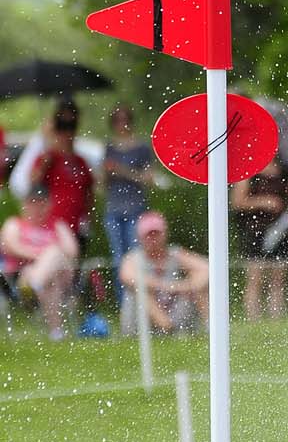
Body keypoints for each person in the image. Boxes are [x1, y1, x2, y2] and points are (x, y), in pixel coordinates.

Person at [0, 183, 78, 339]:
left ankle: (37, 283)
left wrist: (47, 258)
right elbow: (10, 247)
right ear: (24, 204)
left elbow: (72, 251)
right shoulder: (15, 224)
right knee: (52, 261)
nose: (37, 208)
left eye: (42, 203)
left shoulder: (57, 225)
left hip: (53, 277)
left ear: (48, 205)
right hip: (21, 278)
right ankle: (56, 331)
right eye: (33, 203)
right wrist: (43, 256)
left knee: (54, 258)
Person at [230, 158, 288, 320]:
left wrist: (285, 222)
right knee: (255, 278)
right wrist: (263, 202)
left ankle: (276, 317)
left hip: (280, 231)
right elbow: (237, 202)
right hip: (256, 232)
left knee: (278, 279)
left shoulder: (284, 172)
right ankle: (253, 318)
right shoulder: (249, 172)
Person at [119, 211, 209, 334]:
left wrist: (188, 286)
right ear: (140, 238)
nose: (153, 239)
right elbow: (128, 278)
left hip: (172, 309)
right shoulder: (133, 258)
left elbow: (206, 269)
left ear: (165, 234)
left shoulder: (176, 254)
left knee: (198, 285)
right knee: (142, 291)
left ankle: (211, 328)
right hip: (141, 320)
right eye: (149, 235)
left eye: (156, 234)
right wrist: (168, 287)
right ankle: (167, 328)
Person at [101, 104, 155, 300]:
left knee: (135, 255)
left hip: (135, 208)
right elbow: (103, 183)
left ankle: (139, 300)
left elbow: (149, 179)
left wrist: (123, 171)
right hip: (114, 208)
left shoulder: (141, 147)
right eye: (117, 120)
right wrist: (107, 173)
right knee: (118, 257)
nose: (121, 124)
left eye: (124, 120)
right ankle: (123, 301)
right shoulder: (109, 147)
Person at [30, 100, 95, 250]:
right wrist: (46, 152)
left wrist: (88, 218)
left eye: (71, 126)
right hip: (55, 226)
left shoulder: (81, 161)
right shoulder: (48, 158)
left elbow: (89, 193)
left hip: (77, 224)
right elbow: (33, 181)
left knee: (74, 266)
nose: (67, 132)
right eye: (62, 126)